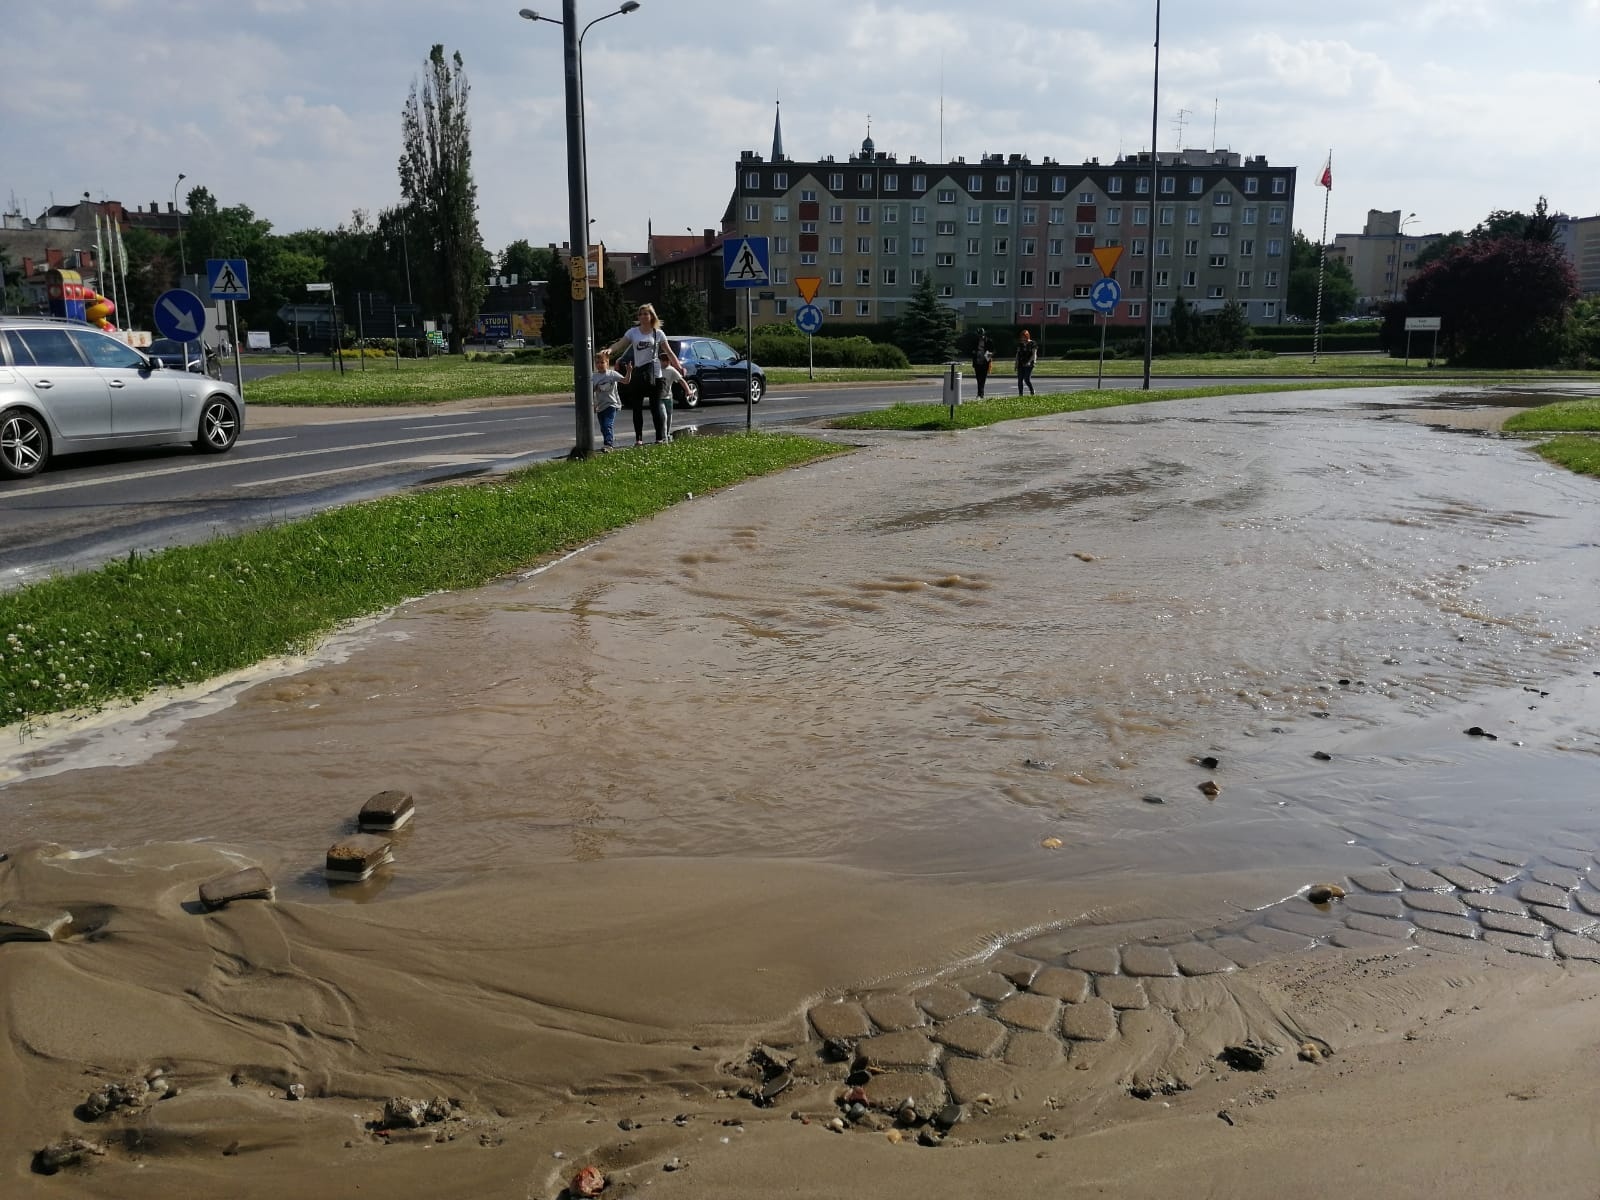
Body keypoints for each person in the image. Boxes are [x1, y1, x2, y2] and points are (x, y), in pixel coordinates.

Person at [608, 303, 683, 446]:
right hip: (638, 373)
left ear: (651, 316)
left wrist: (679, 366)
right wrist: (610, 351)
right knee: (637, 408)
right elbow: (621, 344)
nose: (642, 316)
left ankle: (660, 438)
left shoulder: (658, 333)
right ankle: (639, 439)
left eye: (645, 314)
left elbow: (669, 352)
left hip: (655, 375)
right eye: (640, 314)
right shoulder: (633, 332)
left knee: (656, 407)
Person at [591, 350, 629, 451]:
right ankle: (607, 441)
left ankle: (609, 444)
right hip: (600, 405)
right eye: (597, 363)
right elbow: (592, 392)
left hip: (612, 404)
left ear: (607, 363)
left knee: (608, 424)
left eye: (602, 362)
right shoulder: (594, 377)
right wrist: (594, 404)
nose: (599, 365)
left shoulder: (612, 374)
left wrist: (629, 371)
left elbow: (625, 381)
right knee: (603, 427)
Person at [656, 347, 689, 443]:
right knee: (664, 416)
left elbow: (681, 380)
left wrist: (688, 390)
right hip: (659, 397)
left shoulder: (671, 370)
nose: (665, 363)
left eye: (667, 361)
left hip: (668, 397)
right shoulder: (657, 369)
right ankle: (664, 437)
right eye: (662, 361)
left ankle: (667, 433)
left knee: (669, 416)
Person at [1014, 329, 1037, 395]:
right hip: (1021, 363)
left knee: (1027, 379)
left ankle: (1032, 390)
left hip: (1029, 363)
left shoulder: (1032, 343)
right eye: (1022, 337)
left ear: (1027, 336)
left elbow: (1034, 354)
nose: (1023, 338)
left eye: (1024, 336)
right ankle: (1020, 394)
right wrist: (1016, 364)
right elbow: (1017, 354)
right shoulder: (1020, 344)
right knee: (1020, 379)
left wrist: (1031, 362)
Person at [971, 329, 993, 398]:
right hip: (977, 362)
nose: (981, 337)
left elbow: (992, 350)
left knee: (983, 379)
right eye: (979, 335)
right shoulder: (975, 341)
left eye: (982, 335)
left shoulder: (988, 341)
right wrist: (974, 352)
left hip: (985, 362)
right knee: (978, 379)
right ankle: (979, 393)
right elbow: (971, 349)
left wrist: (988, 356)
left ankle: (981, 394)